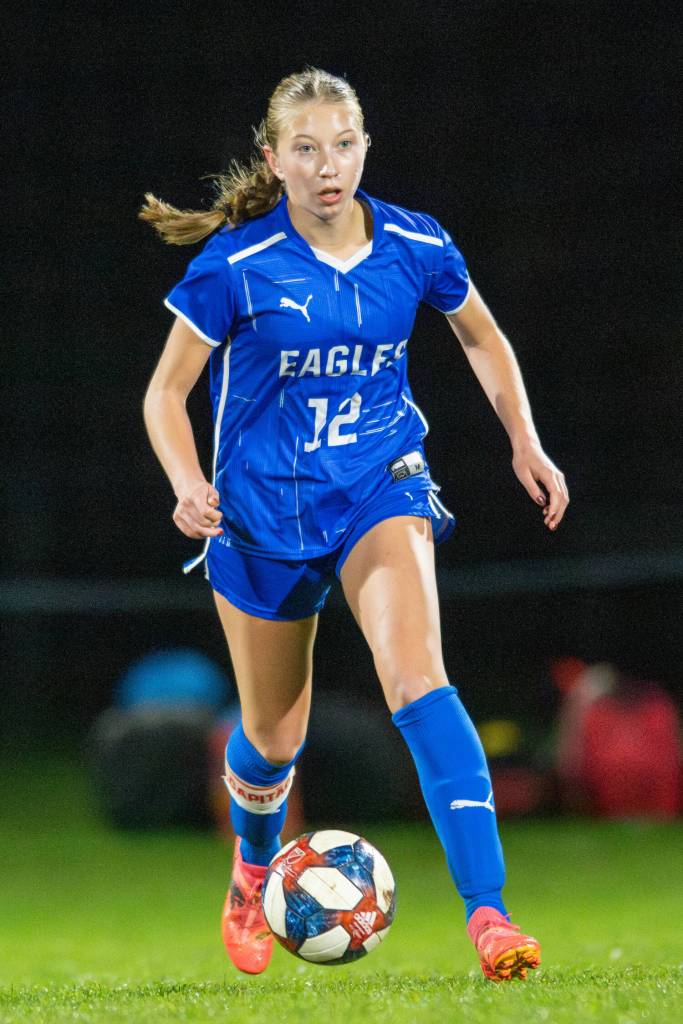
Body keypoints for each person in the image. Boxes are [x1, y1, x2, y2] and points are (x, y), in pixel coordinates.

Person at [140, 66, 569, 982]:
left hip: (380, 484)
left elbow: (481, 335)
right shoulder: (236, 266)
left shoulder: (414, 241)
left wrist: (524, 442)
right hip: (261, 515)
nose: (327, 165)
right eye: (305, 149)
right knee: (273, 737)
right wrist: (185, 482)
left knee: (417, 679)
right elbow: (166, 393)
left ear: (365, 147)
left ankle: (489, 915)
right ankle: (252, 867)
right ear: (274, 160)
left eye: (342, 144)